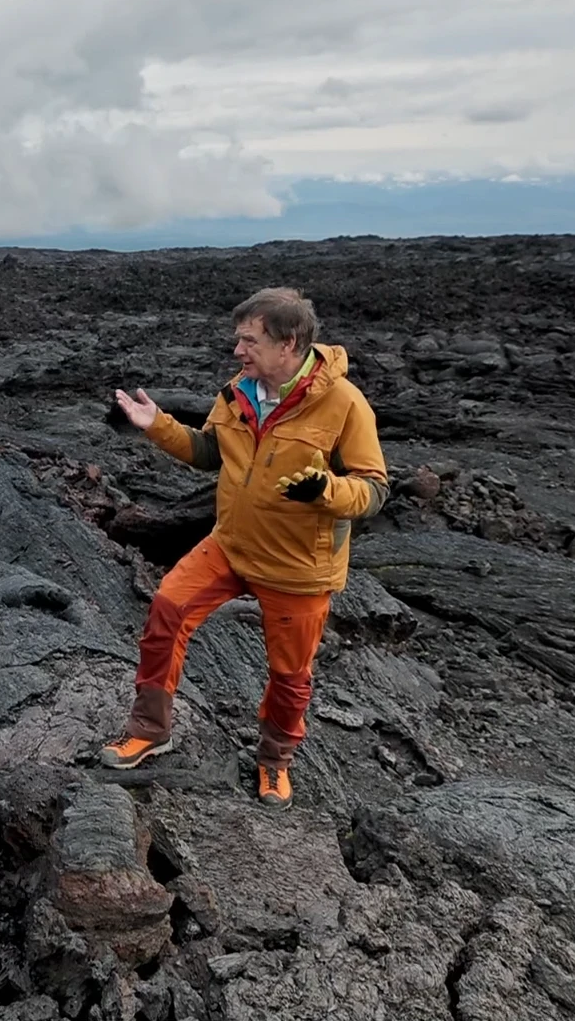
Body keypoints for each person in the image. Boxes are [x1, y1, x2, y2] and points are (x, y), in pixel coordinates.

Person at [102, 287, 388, 809]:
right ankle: (150, 729)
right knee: (168, 606)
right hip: (231, 544)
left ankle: (275, 762)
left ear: (290, 343)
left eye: (249, 341)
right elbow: (211, 452)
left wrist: (326, 492)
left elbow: (374, 489)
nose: (238, 352)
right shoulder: (239, 391)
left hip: (298, 567)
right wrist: (157, 426)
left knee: (290, 674)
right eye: (238, 340)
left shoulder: (345, 404)